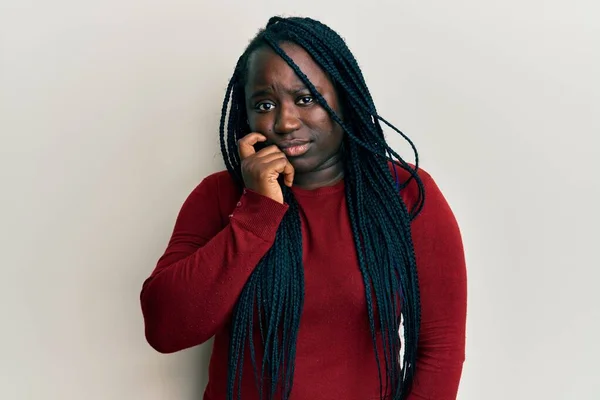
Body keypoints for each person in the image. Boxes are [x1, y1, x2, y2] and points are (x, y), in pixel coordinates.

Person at [140, 16, 467, 400]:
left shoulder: (405, 195)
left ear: (345, 96)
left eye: (306, 98)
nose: (285, 121)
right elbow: (166, 329)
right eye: (264, 103)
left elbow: (440, 349)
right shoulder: (220, 197)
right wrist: (257, 213)